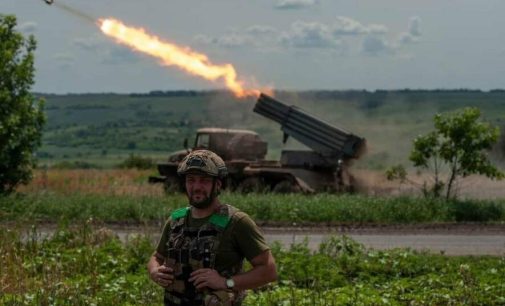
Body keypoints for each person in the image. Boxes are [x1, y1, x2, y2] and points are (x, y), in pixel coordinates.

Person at [147, 150, 277, 306]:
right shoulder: (176, 220)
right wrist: (154, 271)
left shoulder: (236, 221)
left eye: (204, 180)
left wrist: (225, 282)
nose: (196, 186)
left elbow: (268, 270)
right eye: (191, 180)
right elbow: (157, 257)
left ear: (218, 185)